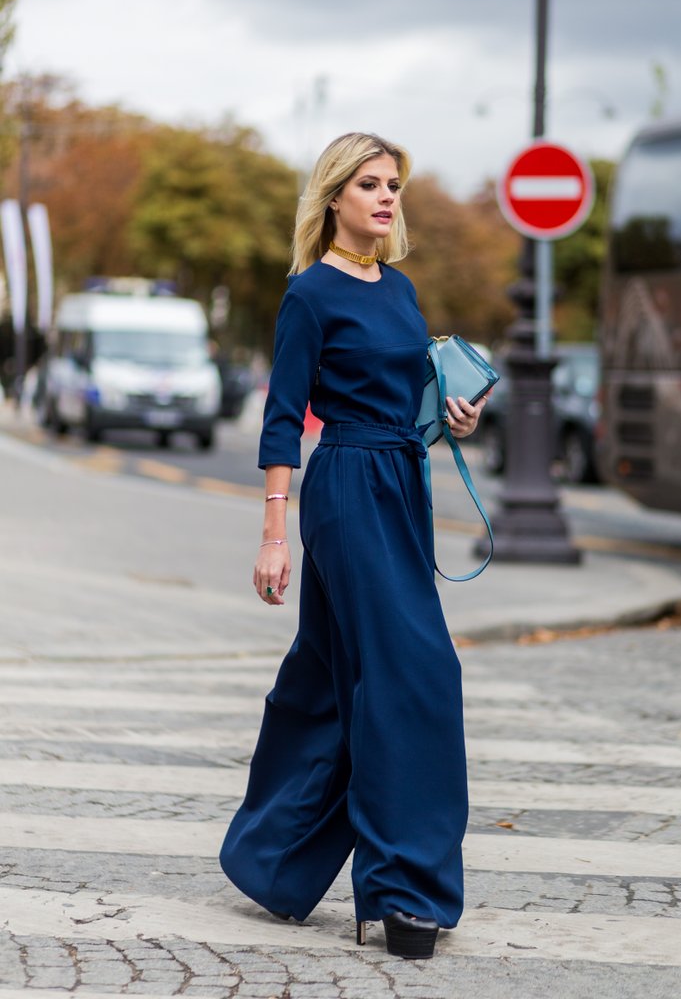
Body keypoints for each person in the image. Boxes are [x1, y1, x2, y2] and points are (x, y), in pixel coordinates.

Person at [219, 132, 490, 960]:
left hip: (401, 483)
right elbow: (281, 420)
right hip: (344, 488)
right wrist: (274, 536)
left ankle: (273, 859)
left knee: (337, 679)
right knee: (416, 671)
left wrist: (452, 417)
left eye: (393, 185)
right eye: (369, 184)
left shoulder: (400, 290)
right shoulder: (309, 295)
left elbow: (406, 390)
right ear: (334, 195)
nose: (385, 197)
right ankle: (404, 895)